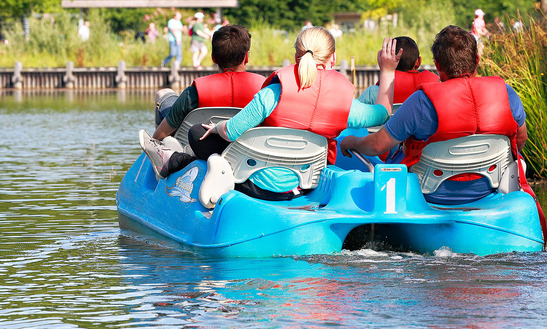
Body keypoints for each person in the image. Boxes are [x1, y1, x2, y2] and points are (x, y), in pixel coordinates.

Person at [140, 26, 402, 201]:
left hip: (256, 182)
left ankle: (214, 172)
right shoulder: (345, 99)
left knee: (199, 132)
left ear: (296, 56)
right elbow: (382, 115)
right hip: (305, 184)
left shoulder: (275, 92)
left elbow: (231, 130)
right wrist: (387, 71)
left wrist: (216, 129)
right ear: (332, 59)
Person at [340, 25, 528, 204]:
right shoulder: (507, 94)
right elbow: (519, 140)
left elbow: (377, 146)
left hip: (432, 193)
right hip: (490, 186)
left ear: (437, 64)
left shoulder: (422, 102)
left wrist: (350, 142)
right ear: (477, 59)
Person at [148, 24, 266, 142]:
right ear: (246, 57)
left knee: (164, 93)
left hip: (200, 148)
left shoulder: (195, 92)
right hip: (246, 151)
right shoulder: (265, 90)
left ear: (213, 58)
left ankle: (162, 152)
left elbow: (159, 135)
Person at [357, 36, 439, 105]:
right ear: (418, 62)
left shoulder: (373, 92)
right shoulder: (431, 90)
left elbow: (350, 119)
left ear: (386, 61)